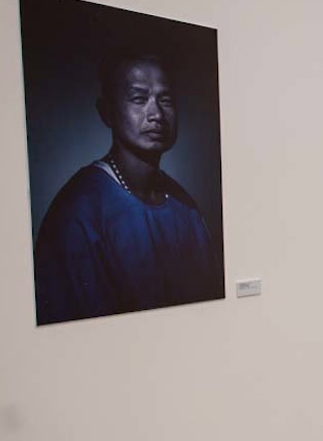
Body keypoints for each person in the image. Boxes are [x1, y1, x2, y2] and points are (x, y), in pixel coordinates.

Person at [32, 52, 223, 324]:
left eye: (165, 100)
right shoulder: (79, 210)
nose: (156, 114)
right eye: (138, 98)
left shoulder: (184, 205)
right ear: (107, 111)